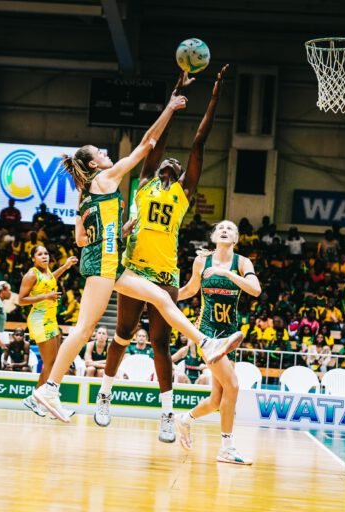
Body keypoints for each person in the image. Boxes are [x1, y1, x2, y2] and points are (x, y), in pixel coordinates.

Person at [34, 70, 242, 424]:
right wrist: (171, 104)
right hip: (109, 263)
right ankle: (51, 388)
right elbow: (148, 143)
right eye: (99, 153)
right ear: (92, 164)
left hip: (116, 261)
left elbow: (81, 237)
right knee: (87, 329)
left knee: (161, 299)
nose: (105, 153)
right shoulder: (111, 178)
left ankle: (207, 344)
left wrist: (116, 232)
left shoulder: (92, 192)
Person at [93, 67, 230, 441]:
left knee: (160, 344)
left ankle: (167, 414)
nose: (172, 161)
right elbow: (156, 141)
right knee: (122, 334)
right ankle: (105, 395)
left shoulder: (182, 193)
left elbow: (199, 143)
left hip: (166, 275)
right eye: (167, 160)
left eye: (178, 164)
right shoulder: (144, 183)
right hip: (133, 269)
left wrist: (214, 97)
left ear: (182, 175)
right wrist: (175, 95)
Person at [174, 220, 262, 465]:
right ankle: (226, 447)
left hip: (229, 333)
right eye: (220, 228)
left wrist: (226, 273)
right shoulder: (202, 261)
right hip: (207, 332)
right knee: (233, 386)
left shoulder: (242, 263)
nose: (224, 230)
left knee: (217, 399)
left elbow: (255, 290)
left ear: (236, 238)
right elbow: (190, 290)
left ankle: (185, 419)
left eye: (230, 228)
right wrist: (164, 297)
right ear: (213, 237)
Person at [17, 246, 78, 416]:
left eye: (46, 254)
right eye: (40, 254)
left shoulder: (46, 272)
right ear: (33, 258)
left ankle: (37, 399)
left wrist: (65, 267)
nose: (44, 256)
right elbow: (21, 300)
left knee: (53, 363)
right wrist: (46, 296)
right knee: (51, 364)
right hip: (40, 320)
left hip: (51, 319)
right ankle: (49, 403)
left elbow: (51, 278)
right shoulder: (31, 274)